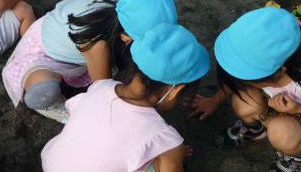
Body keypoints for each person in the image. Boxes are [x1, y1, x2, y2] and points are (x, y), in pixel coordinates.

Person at [41, 22, 210, 172]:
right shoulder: (162, 136)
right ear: (175, 91)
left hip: (52, 163)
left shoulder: (100, 87)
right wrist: (173, 154)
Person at [1, 0, 178, 123]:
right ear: (126, 37)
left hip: (61, 32)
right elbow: (102, 90)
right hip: (40, 56)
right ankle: (55, 108)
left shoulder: (129, 8)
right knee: (45, 90)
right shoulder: (96, 43)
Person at [189, 7, 301, 172]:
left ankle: (293, 159)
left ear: (278, 73)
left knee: (280, 131)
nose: (239, 79)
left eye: (245, 76)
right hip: (275, 107)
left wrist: (298, 109)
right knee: (242, 101)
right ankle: (255, 129)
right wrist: (214, 100)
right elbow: (236, 79)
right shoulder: (267, 63)